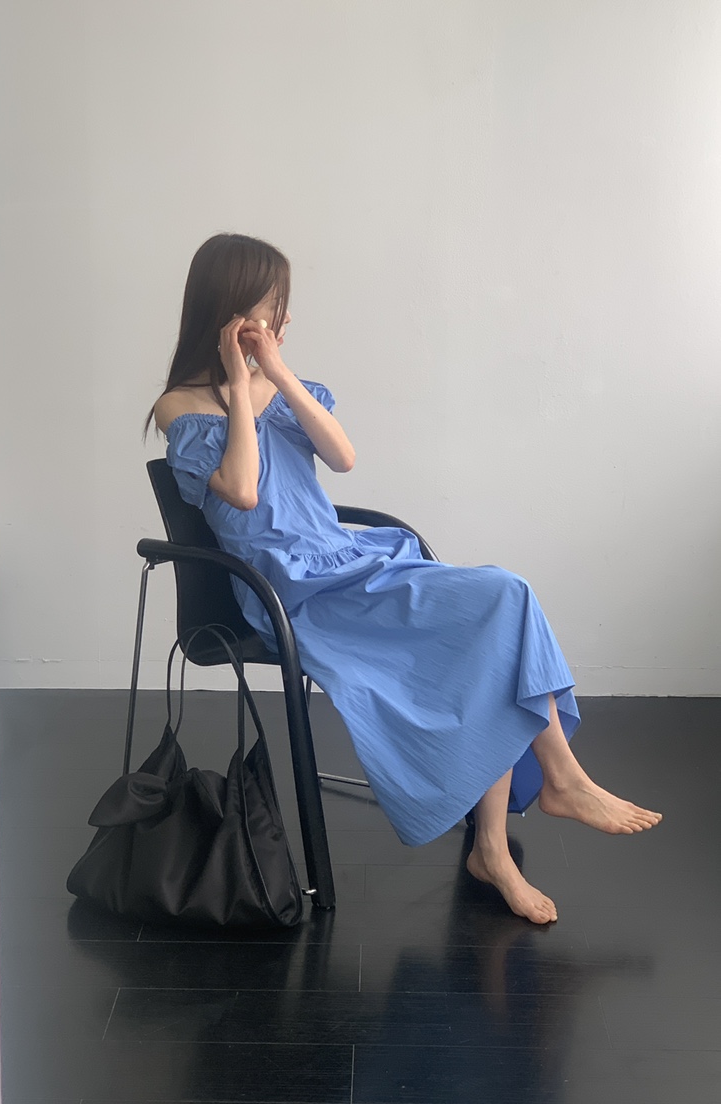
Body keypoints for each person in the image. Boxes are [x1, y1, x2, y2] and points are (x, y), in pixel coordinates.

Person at [144, 232, 662, 925]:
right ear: (231, 307)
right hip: (290, 590)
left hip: (348, 560)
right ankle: (520, 824)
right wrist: (239, 387)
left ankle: (538, 800)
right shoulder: (180, 405)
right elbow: (241, 490)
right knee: (490, 627)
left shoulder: (283, 387)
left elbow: (343, 457)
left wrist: (277, 373)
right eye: (272, 304)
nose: (284, 318)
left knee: (503, 599)